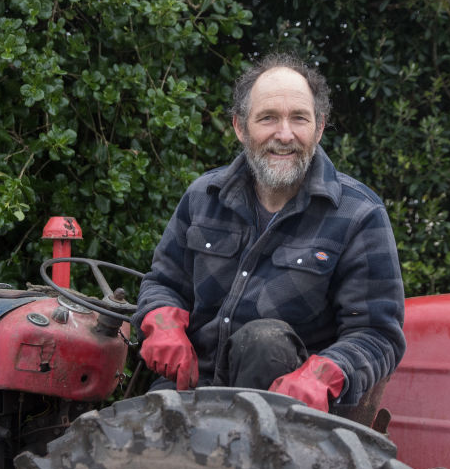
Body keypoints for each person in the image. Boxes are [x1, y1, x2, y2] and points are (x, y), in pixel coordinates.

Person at [133, 53, 406, 412]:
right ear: (240, 127)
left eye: (299, 119)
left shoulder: (359, 215)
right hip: (187, 392)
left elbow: (377, 335)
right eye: (268, 119)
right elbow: (163, 282)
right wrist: (162, 321)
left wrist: (322, 375)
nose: (284, 134)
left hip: (293, 416)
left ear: (319, 127)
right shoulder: (203, 196)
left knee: (265, 341)